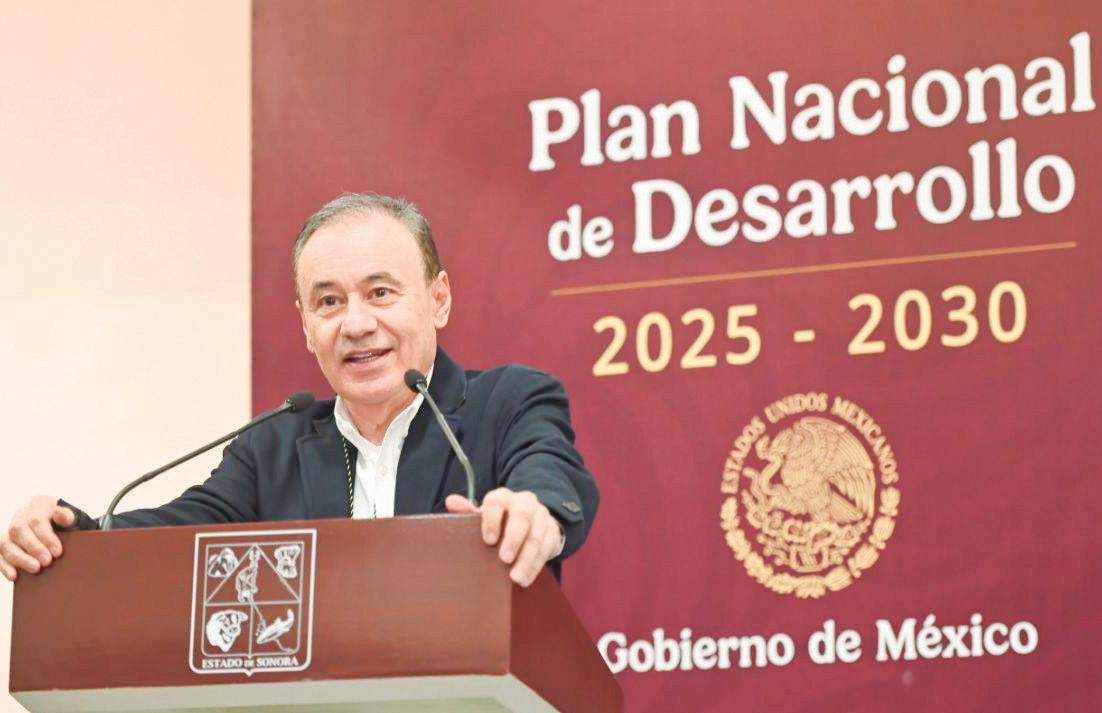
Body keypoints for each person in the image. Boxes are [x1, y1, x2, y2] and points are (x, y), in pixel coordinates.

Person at [0, 193, 598, 587]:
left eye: (381, 293)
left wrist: (537, 513)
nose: (356, 324)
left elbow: (550, 474)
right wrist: (76, 534)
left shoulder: (506, 402)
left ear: (438, 299)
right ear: (306, 326)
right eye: (329, 302)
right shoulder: (272, 448)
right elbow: (178, 531)